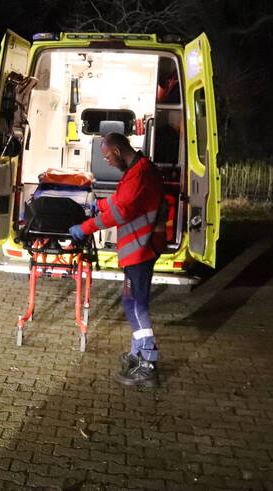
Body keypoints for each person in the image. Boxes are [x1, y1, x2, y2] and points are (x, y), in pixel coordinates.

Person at [68, 132, 164, 388]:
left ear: (118, 151)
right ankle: (138, 353)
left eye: (107, 156)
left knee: (137, 305)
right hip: (136, 247)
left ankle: (148, 362)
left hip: (140, 249)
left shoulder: (140, 172)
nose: (107, 161)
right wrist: (100, 205)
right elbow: (123, 200)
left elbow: (121, 212)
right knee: (130, 301)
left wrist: (86, 227)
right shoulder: (136, 170)